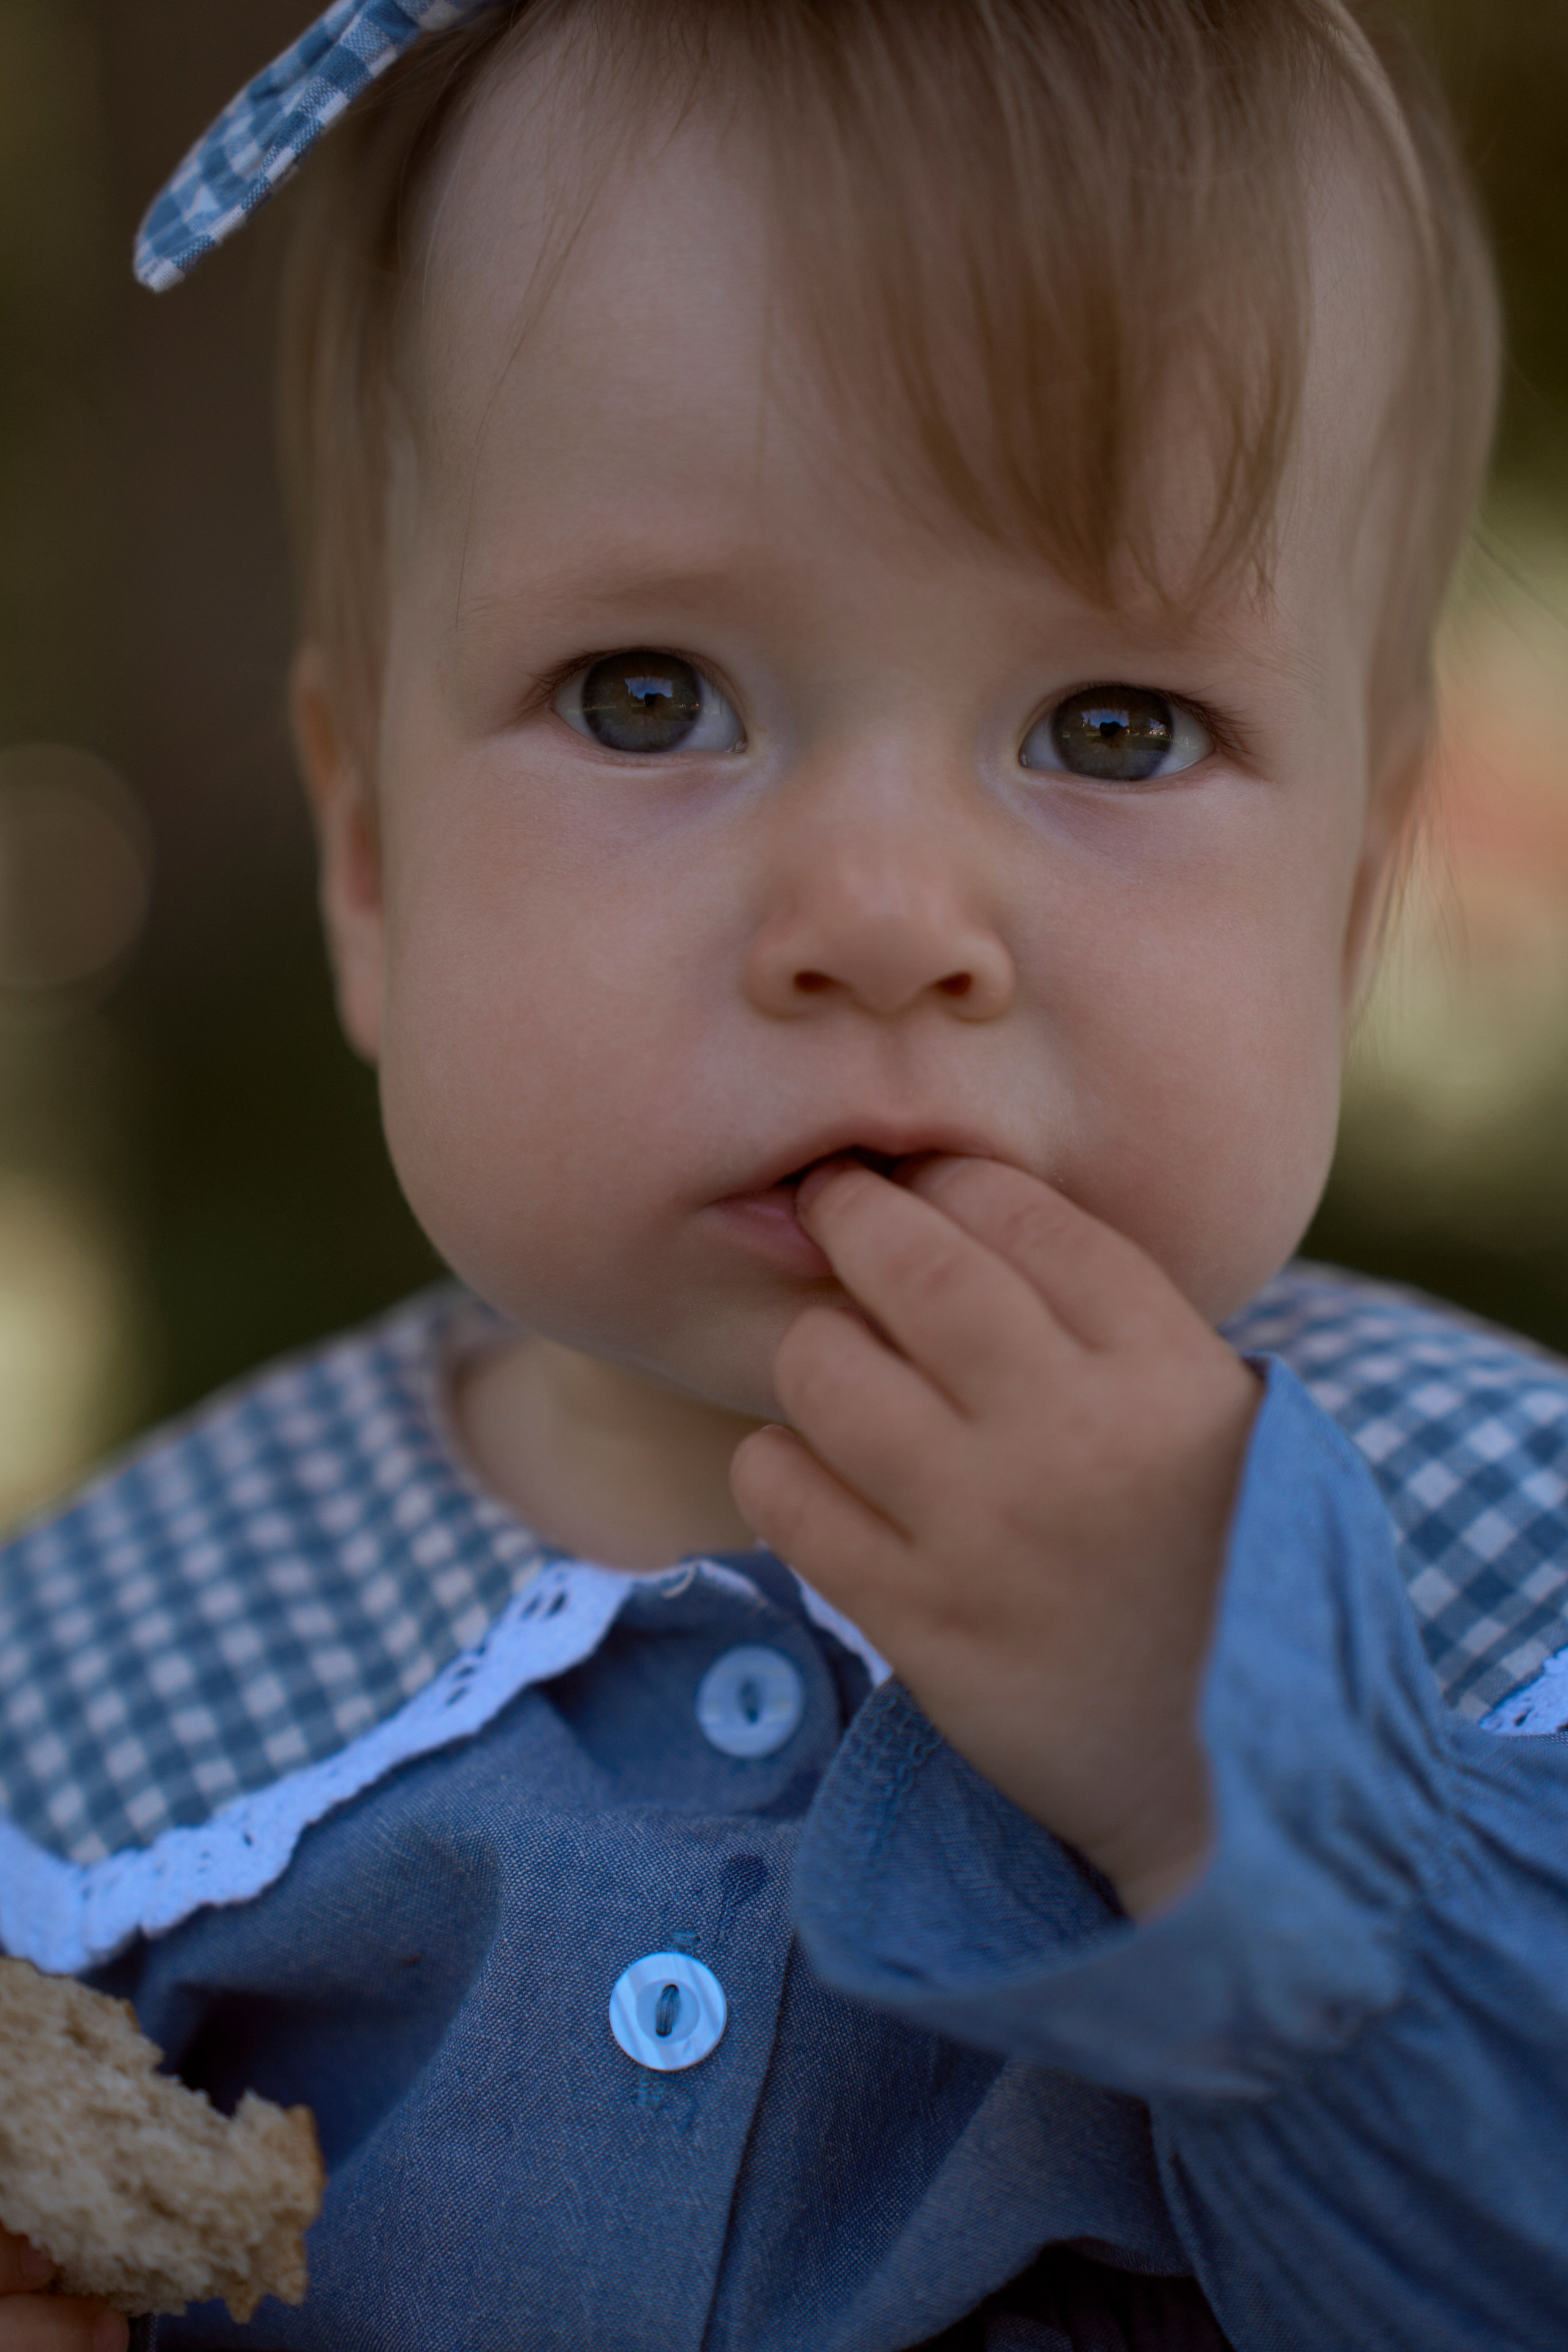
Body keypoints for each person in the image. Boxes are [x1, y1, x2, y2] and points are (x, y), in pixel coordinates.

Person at [2, 1, 1566, 2344]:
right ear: (371, 858)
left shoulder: (1493, 1581)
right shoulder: (117, 1676)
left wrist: (1252, 1781)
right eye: (653, 697)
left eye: (1112, 728)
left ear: (1351, 902)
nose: (883, 921)